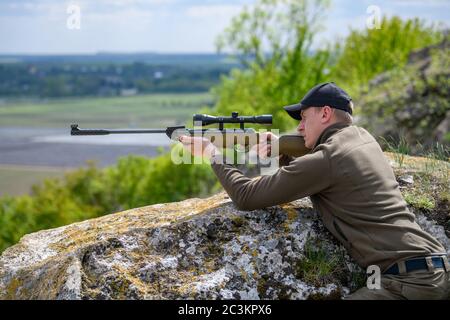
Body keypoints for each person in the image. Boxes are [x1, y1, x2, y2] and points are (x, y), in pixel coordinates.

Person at [179, 82, 449, 300]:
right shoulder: (362, 137)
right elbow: (316, 160)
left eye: (303, 118)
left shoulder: (328, 158)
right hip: (432, 269)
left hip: (408, 283)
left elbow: (246, 196)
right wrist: (281, 147)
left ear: (325, 113)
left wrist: (211, 153)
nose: (299, 126)